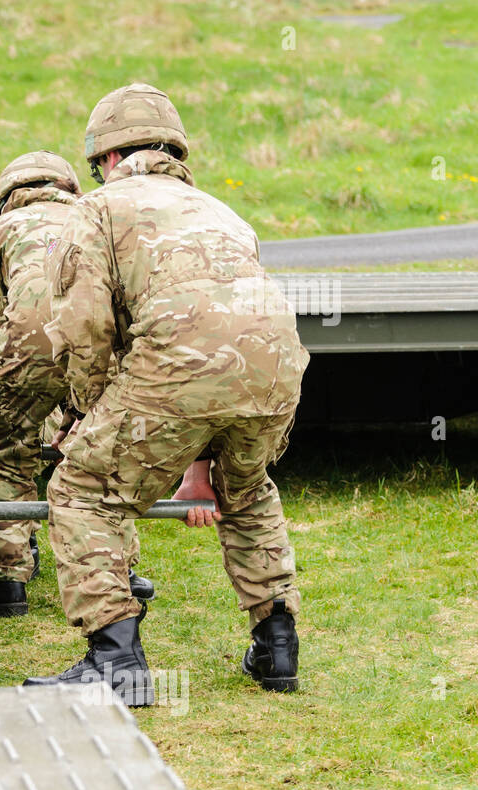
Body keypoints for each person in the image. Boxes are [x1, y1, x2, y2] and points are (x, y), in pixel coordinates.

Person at [27, 83, 308, 703]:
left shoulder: (99, 209)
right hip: (275, 369)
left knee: (83, 490)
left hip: (179, 365)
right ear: (174, 149)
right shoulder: (222, 210)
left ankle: (116, 660)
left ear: (104, 159)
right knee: (248, 488)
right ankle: (276, 645)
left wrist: (84, 412)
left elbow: (84, 324)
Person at [0, 150, 158, 617]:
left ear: (7, 194)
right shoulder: (96, 219)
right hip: (95, 345)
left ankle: (5, 581)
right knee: (102, 458)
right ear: (67, 186)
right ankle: (121, 571)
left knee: (9, 452)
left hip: (27, 349)